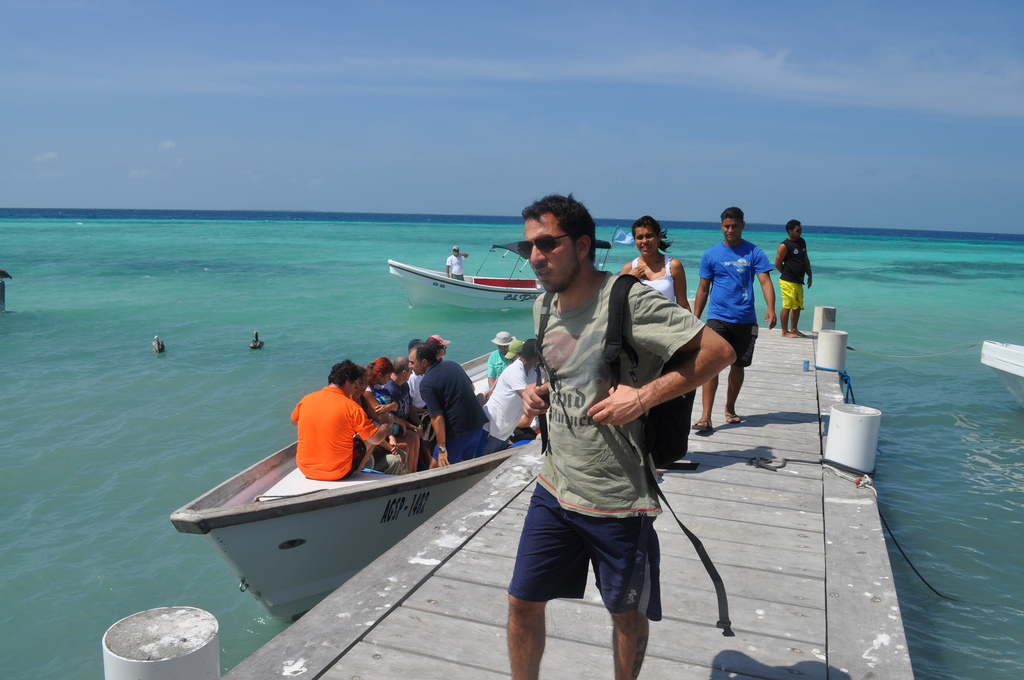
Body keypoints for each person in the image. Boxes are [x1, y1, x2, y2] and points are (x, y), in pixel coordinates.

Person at [508, 194, 735, 680]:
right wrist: (539, 392)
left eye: (547, 244)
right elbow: (567, 373)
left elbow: (718, 351)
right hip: (554, 488)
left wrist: (643, 397)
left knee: (626, 615)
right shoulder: (543, 306)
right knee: (522, 602)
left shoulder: (627, 298)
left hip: (618, 500)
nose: (534, 257)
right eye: (527, 247)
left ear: (583, 244)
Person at [691, 206, 777, 431]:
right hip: (717, 318)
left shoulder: (754, 252)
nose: (730, 230)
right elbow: (702, 288)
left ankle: (729, 408)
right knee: (711, 366)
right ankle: (706, 416)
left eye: (734, 226)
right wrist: (694, 317)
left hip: (745, 320)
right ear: (721, 226)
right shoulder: (711, 254)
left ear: (742, 226)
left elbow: (765, 281)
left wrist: (771, 308)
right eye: (726, 226)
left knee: (738, 366)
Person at [291, 360, 394, 480]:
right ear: (347, 382)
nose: (355, 390)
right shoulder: (352, 408)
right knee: (371, 433)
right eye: (355, 385)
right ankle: (356, 472)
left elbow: (294, 421)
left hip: (306, 469)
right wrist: (386, 424)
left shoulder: (307, 399)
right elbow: (376, 439)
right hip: (337, 472)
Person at [409, 342, 488, 467]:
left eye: (412, 362)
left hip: (458, 434)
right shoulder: (453, 364)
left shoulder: (426, 384)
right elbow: (472, 388)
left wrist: (441, 449)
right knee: (463, 466)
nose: (409, 366)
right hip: (477, 425)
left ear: (424, 362)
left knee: (435, 471)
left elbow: (436, 417)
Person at [618, 215, 691, 312]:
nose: (644, 241)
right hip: (637, 326)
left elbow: (683, 305)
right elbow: (618, 303)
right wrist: (629, 280)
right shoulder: (628, 269)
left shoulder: (673, 266)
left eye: (649, 236)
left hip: (668, 325)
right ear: (635, 241)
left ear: (659, 237)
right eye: (639, 237)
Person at [481, 339, 538, 455]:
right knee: (480, 461)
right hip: (491, 427)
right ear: (537, 357)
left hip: (506, 430)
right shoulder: (515, 371)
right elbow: (529, 399)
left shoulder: (533, 370)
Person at [775, 219, 813, 338]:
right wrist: (787, 273)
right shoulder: (784, 245)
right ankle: (785, 331)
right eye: (798, 230)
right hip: (787, 280)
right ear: (790, 231)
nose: (800, 232)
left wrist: (810, 275)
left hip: (798, 280)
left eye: (801, 230)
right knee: (788, 305)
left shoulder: (802, 242)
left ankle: (794, 329)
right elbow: (778, 263)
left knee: (797, 306)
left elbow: (805, 259)